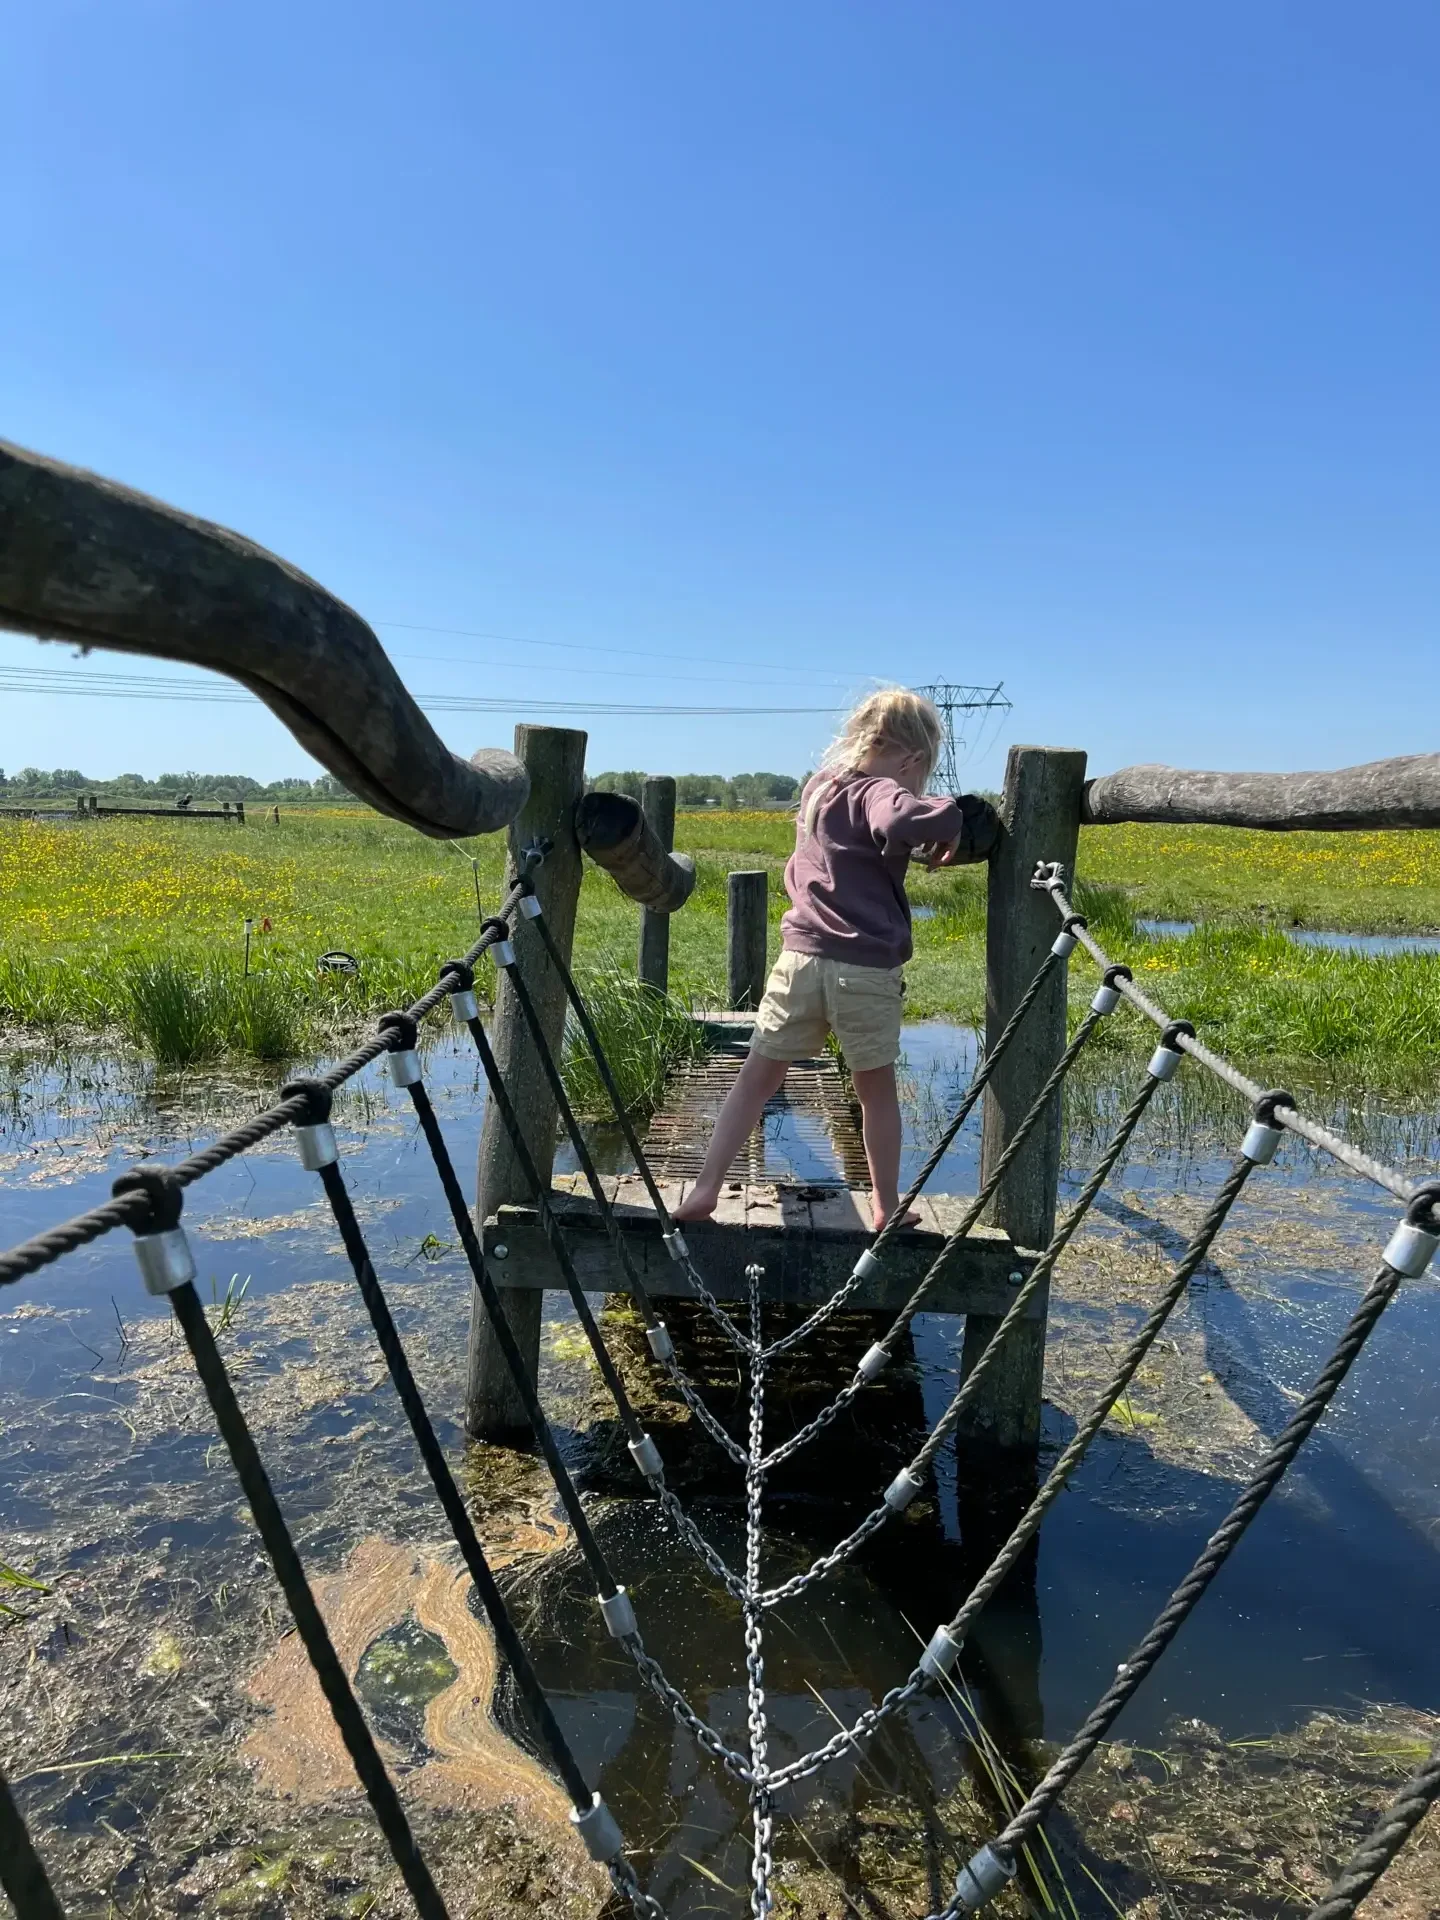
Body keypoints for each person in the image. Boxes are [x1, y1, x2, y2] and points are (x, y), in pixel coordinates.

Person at [674, 688, 972, 1232]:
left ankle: (706, 1188)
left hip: (800, 958)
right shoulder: (883, 788)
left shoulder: (820, 787)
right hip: (863, 967)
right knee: (875, 1090)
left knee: (756, 1078)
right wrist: (950, 816)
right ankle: (884, 1205)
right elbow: (899, 819)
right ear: (913, 758)